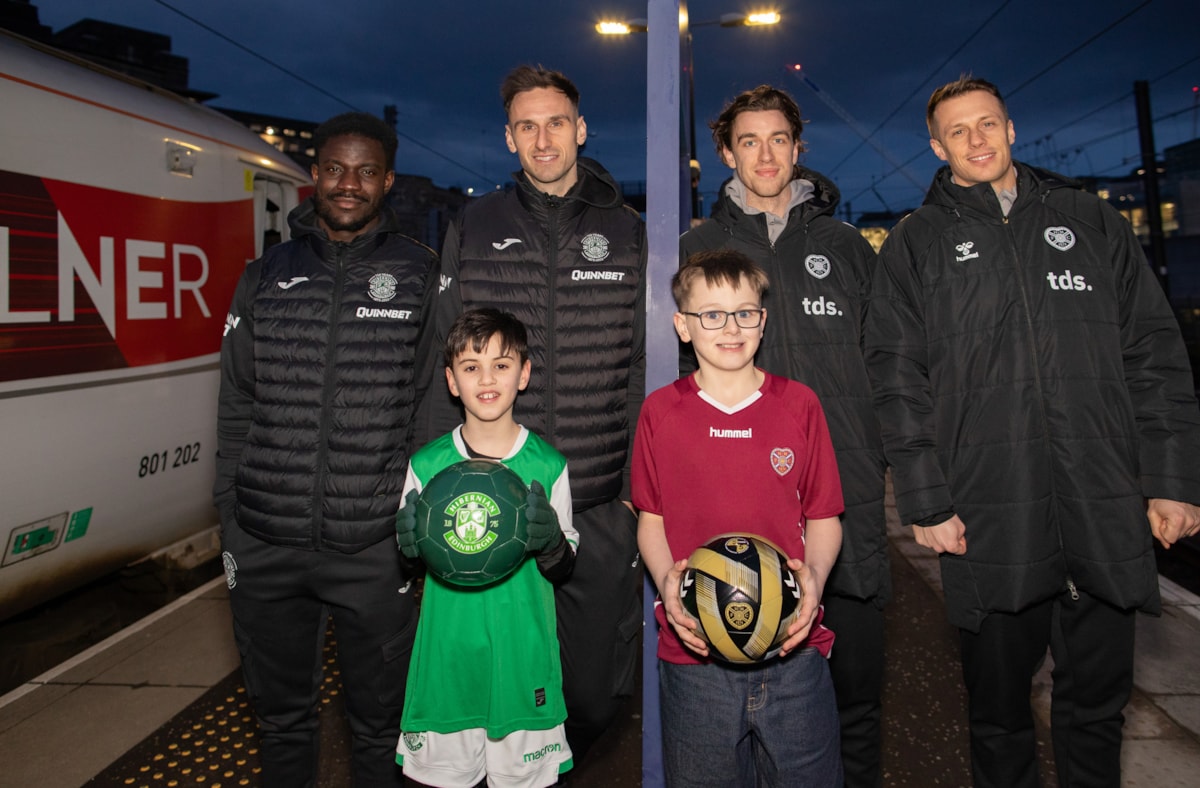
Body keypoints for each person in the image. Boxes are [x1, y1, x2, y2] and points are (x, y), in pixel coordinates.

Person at [865, 75, 1200, 788]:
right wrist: (925, 500)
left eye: (988, 123)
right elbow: (896, 381)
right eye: (959, 131)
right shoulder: (915, 245)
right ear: (936, 146)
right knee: (998, 713)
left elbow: (1154, 354)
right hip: (989, 516)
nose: (977, 140)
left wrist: (1170, 480)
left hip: (1102, 503)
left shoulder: (1090, 220)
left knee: (1096, 709)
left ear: (1012, 128)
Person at [418, 64, 647, 763]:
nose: (542, 139)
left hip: (601, 499)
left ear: (580, 129)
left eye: (555, 123)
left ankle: (567, 757)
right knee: (496, 694)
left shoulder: (627, 228)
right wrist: (433, 481)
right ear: (509, 137)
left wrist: (644, 489)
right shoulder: (476, 224)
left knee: (596, 694)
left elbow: (644, 365)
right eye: (526, 126)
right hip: (491, 499)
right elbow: (444, 353)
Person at [214, 111, 440, 787]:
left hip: (374, 547)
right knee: (281, 722)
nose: (349, 184)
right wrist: (229, 513)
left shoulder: (421, 276)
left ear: (388, 181)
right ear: (314, 177)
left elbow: (432, 407)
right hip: (265, 541)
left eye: (366, 171)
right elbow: (235, 404)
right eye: (336, 169)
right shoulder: (264, 275)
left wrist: (412, 523)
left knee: (380, 727)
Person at [679, 84, 888, 787]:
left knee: (853, 696)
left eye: (778, 140)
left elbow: (889, 363)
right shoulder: (698, 247)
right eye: (747, 141)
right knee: (736, 712)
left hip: (843, 494)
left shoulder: (847, 246)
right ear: (723, 154)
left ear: (798, 149)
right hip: (740, 502)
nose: (764, 154)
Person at [634, 249, 845, 787]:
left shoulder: (799, 405)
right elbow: (651, 518)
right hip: (694, 653)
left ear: (763, 320)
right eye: (711, 314)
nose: (730, 328)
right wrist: (667, 582)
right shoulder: (660, 411)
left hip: (792, 648)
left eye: (744, 312)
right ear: (683, 326)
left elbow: (824, 516)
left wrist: (815, 579)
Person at [394, 307, 578, 788]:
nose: (487, 378)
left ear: (524, 374)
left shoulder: (549, 466)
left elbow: (563, 569)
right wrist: (407, 550)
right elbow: (410, 565)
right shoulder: (427, 465)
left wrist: (552, 543)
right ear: (452, 381)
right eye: (471, 367)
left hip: (523, 666)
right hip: (447, 667)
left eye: (501, 364)